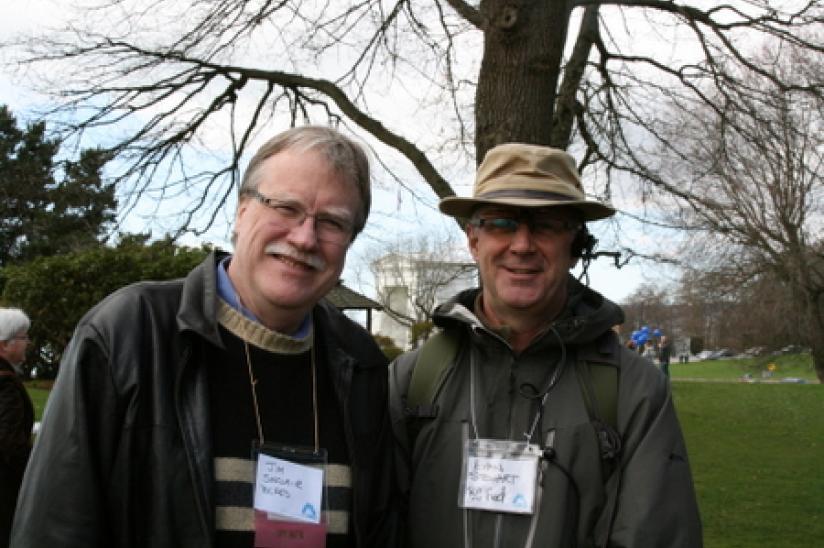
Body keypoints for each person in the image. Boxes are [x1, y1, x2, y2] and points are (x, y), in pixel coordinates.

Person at [12, 126, 396, 547]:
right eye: (286, 208)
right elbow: (56, 527)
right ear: (242, 210)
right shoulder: (129, 334)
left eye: (331, 223)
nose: (304, 237)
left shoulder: (360, 363)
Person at [389, 143, 702, 547]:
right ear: (473, 241)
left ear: (574, 245)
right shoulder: (411, 380)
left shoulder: (634, 391)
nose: (522, 245)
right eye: (501, 222)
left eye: (547, 224)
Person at [0, 308, 34, 548]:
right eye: (23, 337)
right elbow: (10, 443)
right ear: (4, 345)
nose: (28, 343)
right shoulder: (5, 384)